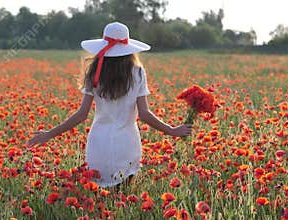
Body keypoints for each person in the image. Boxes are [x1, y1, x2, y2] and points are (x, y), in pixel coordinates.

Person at [28, 22, 192, 189]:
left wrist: (49, 134)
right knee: (122, 199)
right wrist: (171, 130)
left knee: (98, 201)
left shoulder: (94, 72)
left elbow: (81, 114)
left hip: (98, 144)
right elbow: (144, 114)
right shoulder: (137, 72)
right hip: (127, 143)